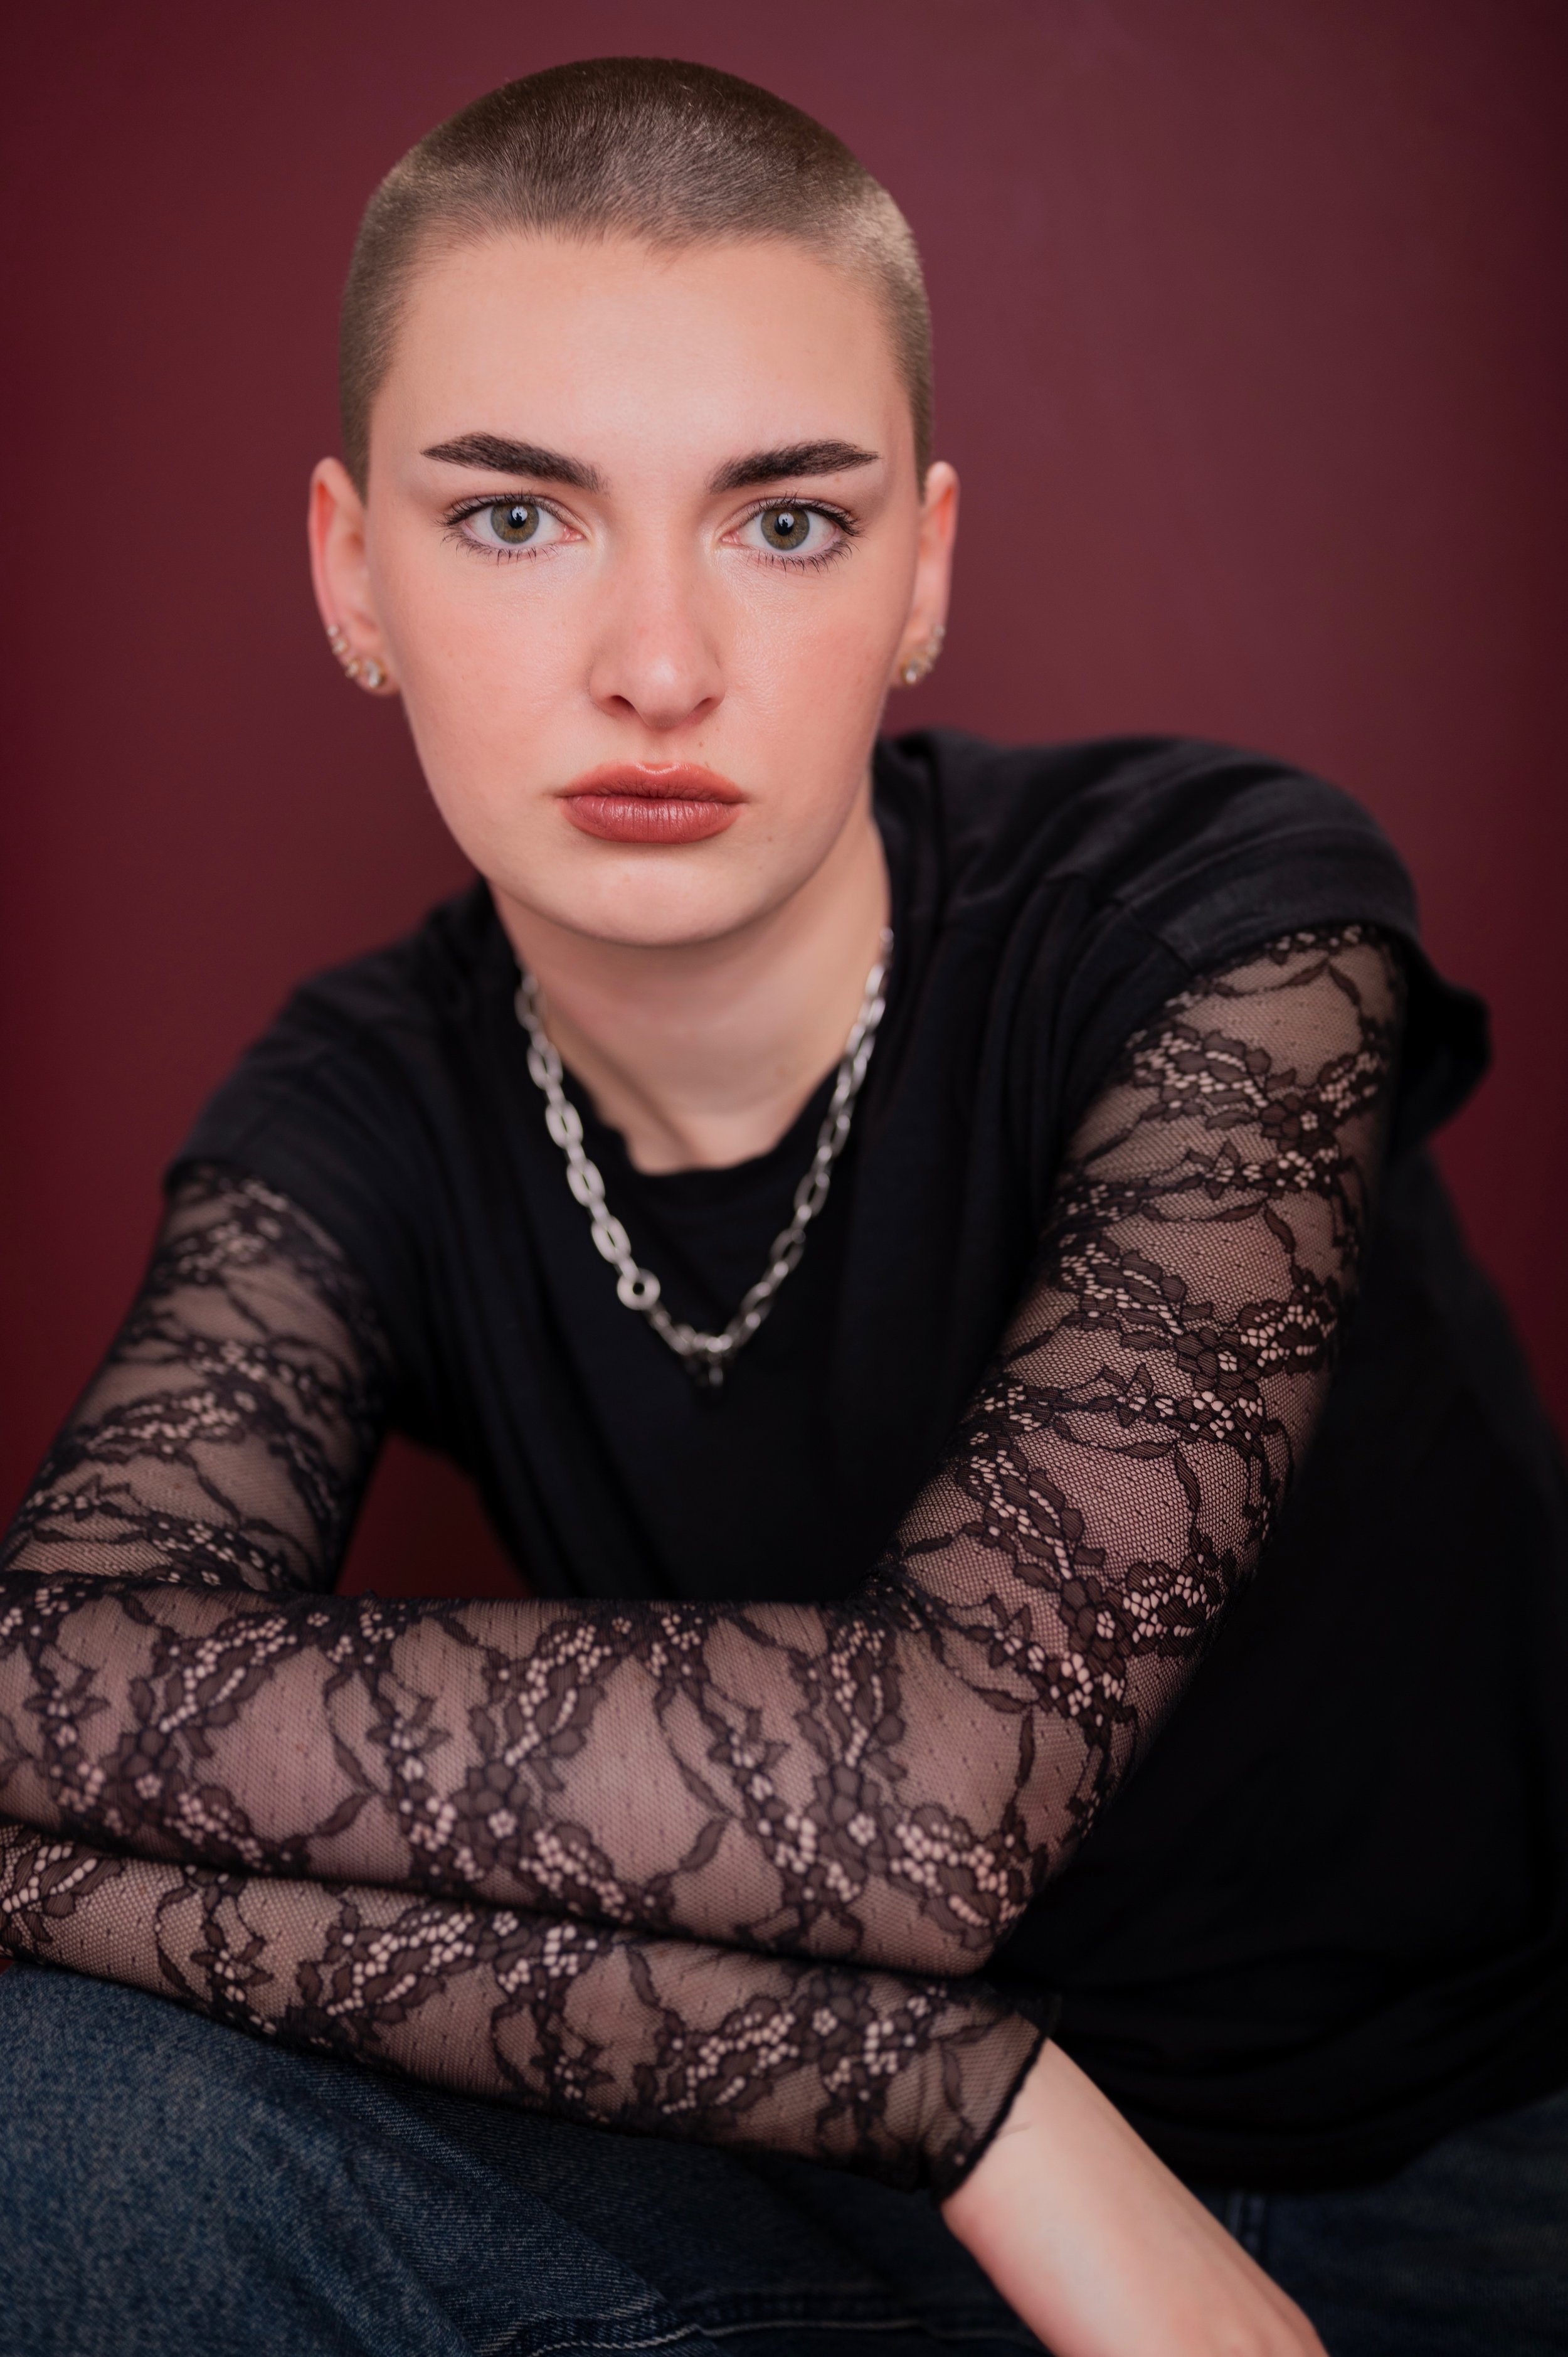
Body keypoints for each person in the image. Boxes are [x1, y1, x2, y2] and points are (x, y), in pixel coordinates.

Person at [0, 55, 1562, 2357]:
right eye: (513, 518)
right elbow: (40, 1708)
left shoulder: (1222, 919)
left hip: (1478, 2169)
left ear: (923, 567)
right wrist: (940, 2093)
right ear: (351, 574)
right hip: (838, 2189)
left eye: (787, 523)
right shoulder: (351, 1108)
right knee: (51, 2105)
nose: (658, 666)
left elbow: (931, 1796)